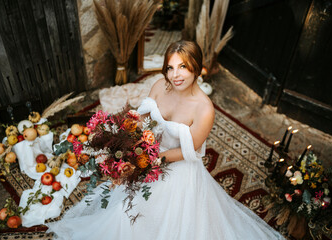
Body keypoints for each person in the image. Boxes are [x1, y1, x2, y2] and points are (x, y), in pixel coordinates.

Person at [46, 40, 284, 239]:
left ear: (197, 68)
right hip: (147, 153)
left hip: (177, 167)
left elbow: (189, 152)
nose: (175, 75)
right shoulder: (160, 85)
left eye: (183, 67)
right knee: (121, 211)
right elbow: (145, 120)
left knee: (147, 217)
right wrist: (127, 143)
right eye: (170, 67)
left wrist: (147, 161)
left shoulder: (204, 109)